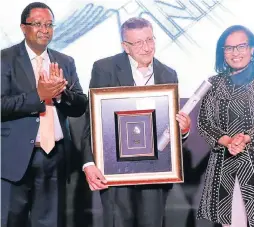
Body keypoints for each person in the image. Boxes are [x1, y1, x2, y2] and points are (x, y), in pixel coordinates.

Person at [82, 17, 191, 227]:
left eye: (150, 40)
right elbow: (92, 121)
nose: (147, 47)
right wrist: (89, 163)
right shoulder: (105, 68)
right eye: (139, 42)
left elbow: (170, 129)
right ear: (125, 46)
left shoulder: (168, 73)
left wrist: (183, 131)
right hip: (115, 169)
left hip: (154, 168)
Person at [1, 2, 87, 227]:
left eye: (49, 24)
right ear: (23, 27)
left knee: (50, 222)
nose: (44, 29)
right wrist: (38, 95)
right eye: (37, 24)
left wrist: (60, 95)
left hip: (53, 156)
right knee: (12, 221)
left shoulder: (65, 61)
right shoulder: (5, 59)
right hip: (15, 159)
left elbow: (80, 105)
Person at [197, 25, 254, 227]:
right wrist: (228, 141)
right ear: (222, 53)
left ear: (252, 50)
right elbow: (204, 123)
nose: (235, 53)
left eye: (241, 46)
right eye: (229, 48)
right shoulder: (213, 84)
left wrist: (246, 137)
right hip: (226, 167)